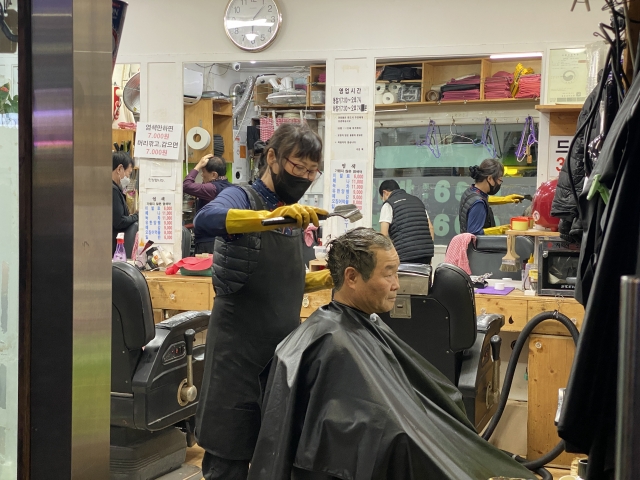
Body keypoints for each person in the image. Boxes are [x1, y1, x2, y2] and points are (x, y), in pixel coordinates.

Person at [248, 228, 533, 480]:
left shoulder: (366, 324)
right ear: (352, 277)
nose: (397, 284)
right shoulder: (324, 343)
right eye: (388, 274)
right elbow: (372, 433)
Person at [193, 123, 333, 480]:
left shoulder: (291, 212)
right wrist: (269, 218)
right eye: (297, 167)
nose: (303, 176)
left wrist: (329, 278)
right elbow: (205, 220)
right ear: (272, 157)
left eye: (311, 172)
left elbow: (282, 283)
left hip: (278, 355)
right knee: (229, 458)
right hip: (236, 357)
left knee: (273, 455)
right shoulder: (244, 197)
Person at [458, 159, 523, 235]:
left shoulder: (471, 191)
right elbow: (474, 234)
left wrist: (506, 199)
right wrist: (502, 229)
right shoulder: (478, 203)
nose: (499, 183)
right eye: (499, 180)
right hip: (478, 247)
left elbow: (484, 199)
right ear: (489, 178)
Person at [183, 154, 233, 253]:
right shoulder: (230, 187)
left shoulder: (212, 189)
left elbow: (186, 185)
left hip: (208, 243)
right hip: (223, 241)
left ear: (214, 175)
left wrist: (198, 165)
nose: (202, 175)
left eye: (204, 172)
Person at [378, 179, 434, 264]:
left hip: (404, 255)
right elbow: (430, 227)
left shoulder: (388, 204)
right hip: (426, 254)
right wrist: (428, 250)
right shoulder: (417, 201)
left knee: (406, 277)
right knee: (422, 277)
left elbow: (384, 235)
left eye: (382, 198)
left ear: (385, 193)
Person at [112, 151, 138, 254]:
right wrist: (136, 216)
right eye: (129, 173)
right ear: (119, 169)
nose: (128, 177)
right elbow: (119, 222)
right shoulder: (113, 190)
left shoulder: (114, 188)